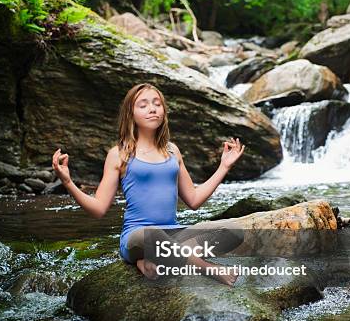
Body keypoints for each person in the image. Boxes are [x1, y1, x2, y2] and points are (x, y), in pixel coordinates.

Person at [52, 82, 245, 286]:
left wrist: (224, 167)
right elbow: (99, 209)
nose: (152, 108)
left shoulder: (172, 151)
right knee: (151, 235)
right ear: (131, 114)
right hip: (138, 237)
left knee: (233, 230)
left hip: (174, 234)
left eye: (157, 103)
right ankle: (206, 268)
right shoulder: (119, 154)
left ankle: (155, 260)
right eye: (143, 105)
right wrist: (68, 182)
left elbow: (194, 200)